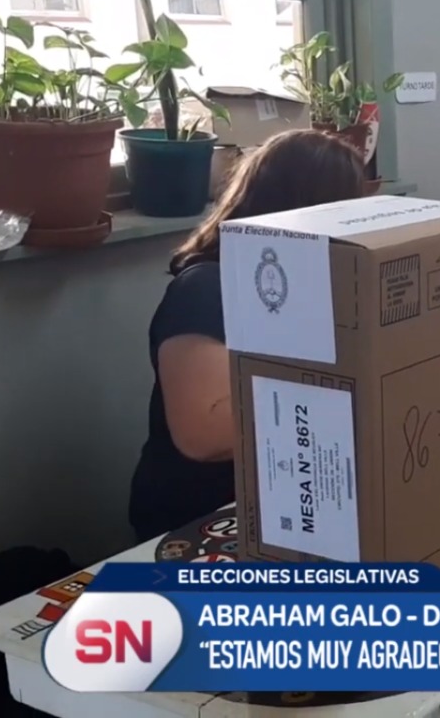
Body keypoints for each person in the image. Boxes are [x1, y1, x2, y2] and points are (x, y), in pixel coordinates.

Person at [128, 130, 366, 542]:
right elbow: (203, 436)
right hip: (201, 516)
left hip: (289, 499)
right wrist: (346, 392)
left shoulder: (311, 289)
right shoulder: (205, 289)